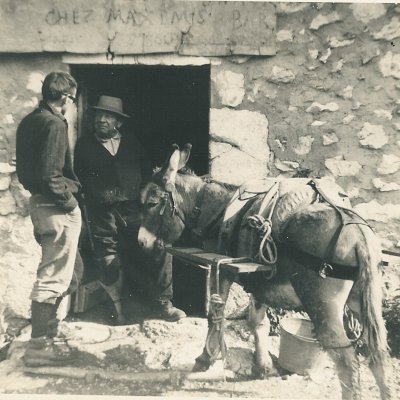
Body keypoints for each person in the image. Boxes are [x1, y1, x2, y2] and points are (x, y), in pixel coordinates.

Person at [74, 95, 186, 322]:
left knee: (160, 249)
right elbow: (79, 181)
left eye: (108, 116)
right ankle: (119, 310)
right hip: (102, 214)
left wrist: (146, 195)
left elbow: (148, 175)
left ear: (119, 122)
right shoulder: (84, 145)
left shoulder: (132, 142)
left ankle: (164, 303)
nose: (102, 120)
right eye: (99, 115)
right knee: (109, 261)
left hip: (135, 212)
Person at [16, 71, 83, 366]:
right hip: (57, 208)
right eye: (73, 98)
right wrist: (69, 203)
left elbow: (28, 172)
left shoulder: (31, 120)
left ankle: (48, 337)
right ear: (66, 97)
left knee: (72, 270)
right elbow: (51, 175)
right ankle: (39, 348)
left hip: (40, 204)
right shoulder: (55, 124)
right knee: (53, 276)